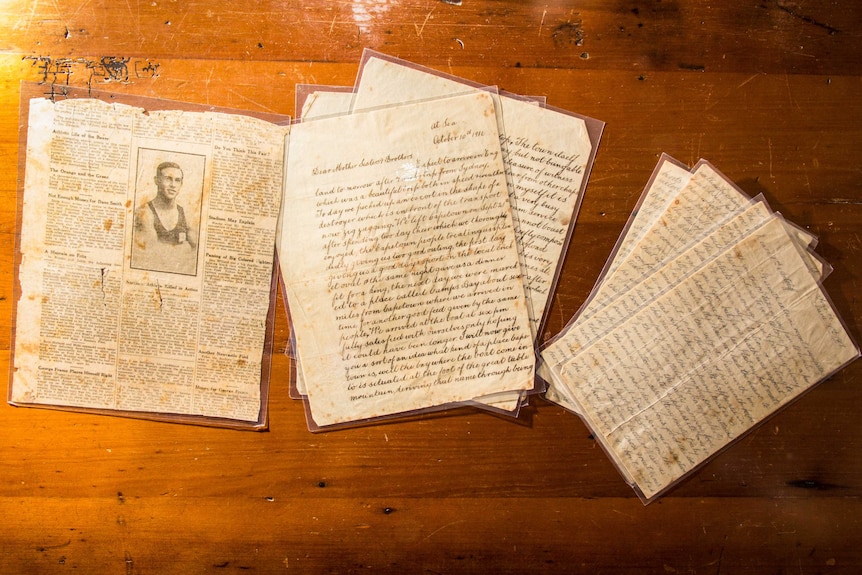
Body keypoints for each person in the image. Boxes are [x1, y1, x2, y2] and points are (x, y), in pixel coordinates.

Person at [132, 161, 198, 274]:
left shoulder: (186, 213)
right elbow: (151, 255)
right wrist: (183, 249)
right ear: (156, 180)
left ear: (181, 184)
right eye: (168, 179)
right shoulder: (145, 213)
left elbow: (196, 252)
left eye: (177, 180)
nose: (173, 185)